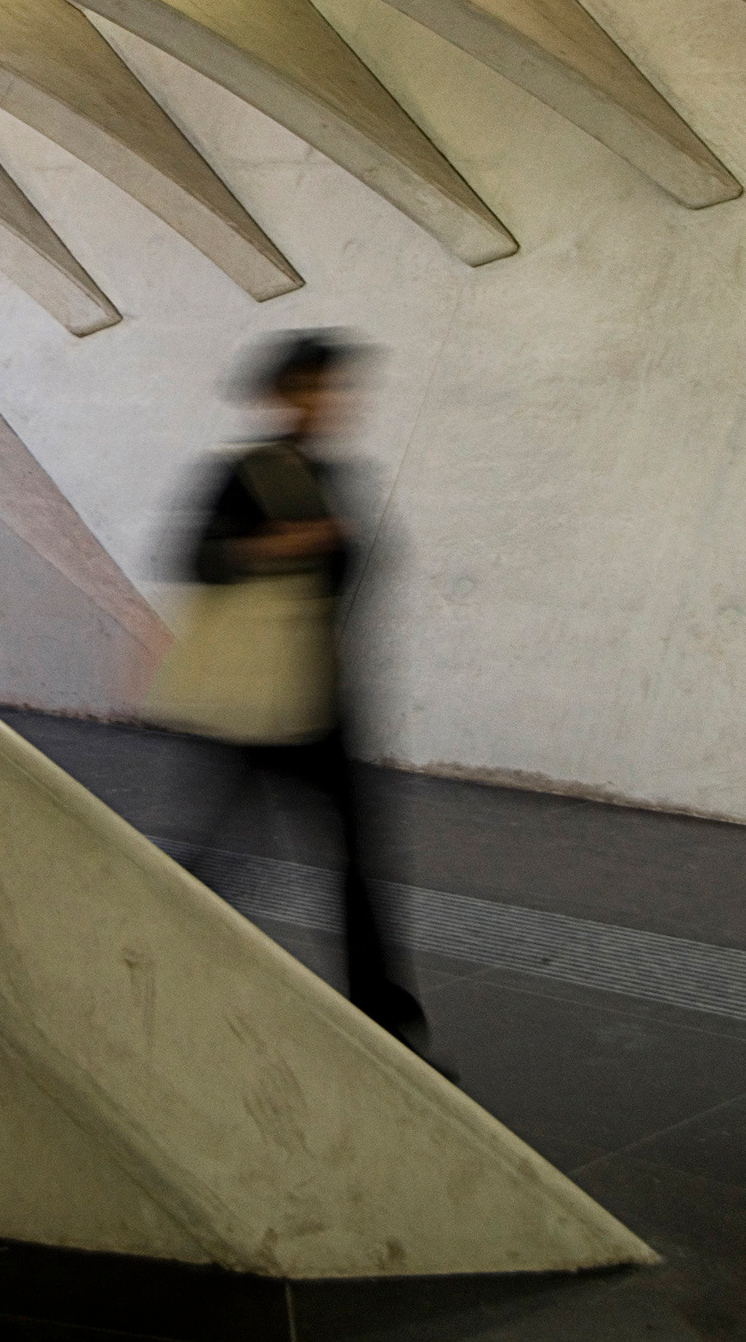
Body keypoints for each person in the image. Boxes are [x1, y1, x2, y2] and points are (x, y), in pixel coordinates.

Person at [155, 332, 439, 1062]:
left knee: (354, 852)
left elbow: (350, 571)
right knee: (228, 848)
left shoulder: (338, 474)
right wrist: (282, 545)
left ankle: (382, 1013)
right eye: (312, 387)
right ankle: (159, 943)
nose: (328, 401)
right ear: (280, 395)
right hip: (255, 699)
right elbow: (191, 559)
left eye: (334, 388)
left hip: (318, 695)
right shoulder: (246, 472)